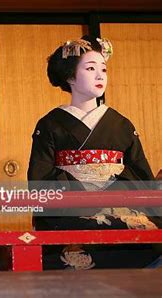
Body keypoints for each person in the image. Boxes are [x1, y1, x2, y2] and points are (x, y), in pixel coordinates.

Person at [27, 35, 161, 269]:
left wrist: (111, 195)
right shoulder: (49, 124)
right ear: (70, 76)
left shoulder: (122, 125)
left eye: (104, 69)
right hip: (69, 212)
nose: (100, 76)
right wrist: (85, 197)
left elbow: (139, 172)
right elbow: (40, 177)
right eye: (90, 68)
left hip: (120, 210)